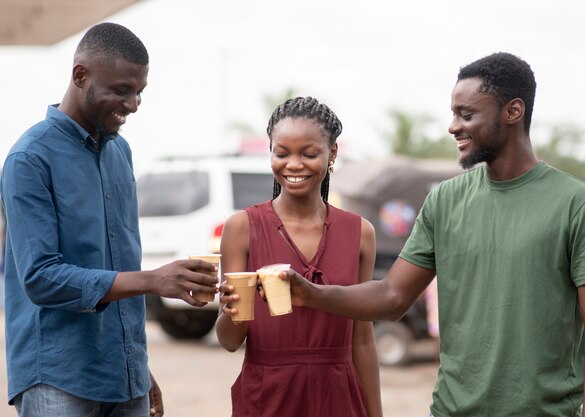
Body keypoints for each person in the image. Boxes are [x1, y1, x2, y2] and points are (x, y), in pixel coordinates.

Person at [281, 53, 585, 416]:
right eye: (453, 113)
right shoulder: (444, 200)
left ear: (513, 112)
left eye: (466, 114)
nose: (453, 126)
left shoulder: (578, 204)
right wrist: (312, 294)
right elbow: (393, 295)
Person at [0, 23, 217, 417]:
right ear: (80, 75)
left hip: (122, 378)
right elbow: (40, 278)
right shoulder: (29, 159)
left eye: (139, 92)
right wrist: (155, 280)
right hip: (57, 377)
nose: (133, 104)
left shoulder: (121, 154)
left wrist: (138, 367)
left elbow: (118, 266)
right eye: (121, 90)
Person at [216, 96, 383, 417]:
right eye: (281, 153)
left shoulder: (360, 232)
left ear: (331, 153)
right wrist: (234, 308)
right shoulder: (241, 228)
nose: (293, 164)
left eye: (308, 154)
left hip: (339, 397)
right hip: (268, 398)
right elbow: (229, 341)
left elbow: (362, 339)